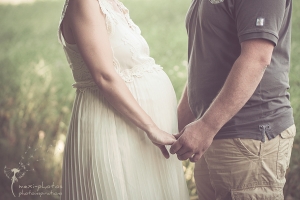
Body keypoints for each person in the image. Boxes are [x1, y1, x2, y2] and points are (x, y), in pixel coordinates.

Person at [57, 0, 190, 199]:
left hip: (138, 132)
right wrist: (151, 128)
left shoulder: (110, 3)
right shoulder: (84, 2)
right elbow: (104, 76)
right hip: (112, 127)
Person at [170, 0, 296, 199]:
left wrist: (206, 127)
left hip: (249, 136)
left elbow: (257, 58)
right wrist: (178, 127)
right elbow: (203, 65)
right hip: (210, 135)